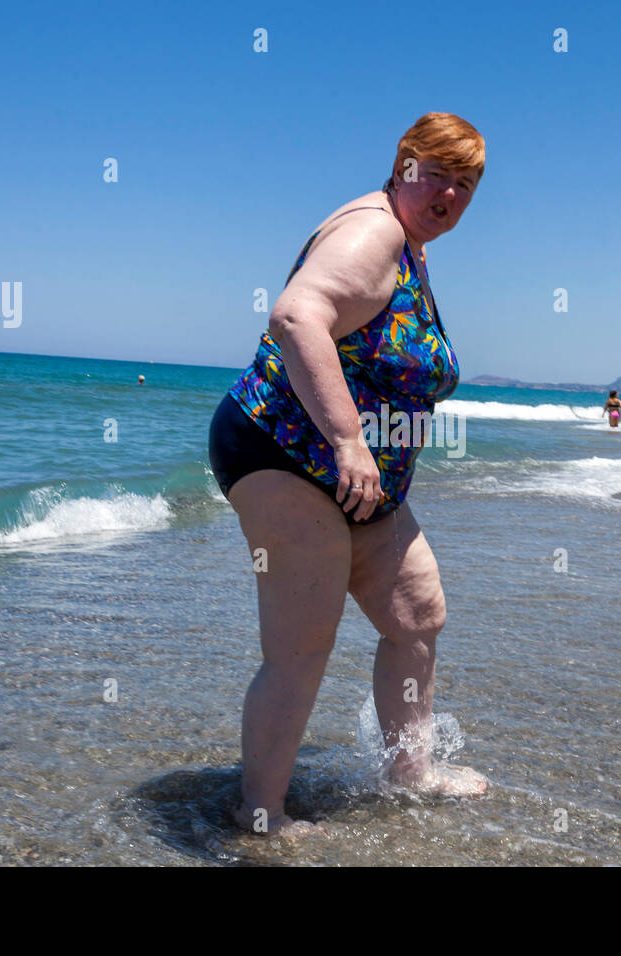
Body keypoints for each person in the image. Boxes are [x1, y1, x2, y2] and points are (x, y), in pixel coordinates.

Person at [206, 113, 487, 836]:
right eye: (438, 174)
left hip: (358, 482)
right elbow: (297, 316)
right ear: (404, 165)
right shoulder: (375, 234)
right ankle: (258, 812)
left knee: (417, 617)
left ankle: (411, 775)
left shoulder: (411, 245)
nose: (450, 194)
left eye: (467, 183)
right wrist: (347, 442)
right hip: (286, 454)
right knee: (302, 644)